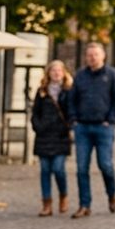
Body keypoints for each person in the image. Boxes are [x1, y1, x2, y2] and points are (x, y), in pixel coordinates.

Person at [69, 41, 115, 218]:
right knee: (81, 168)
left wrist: (111, 119)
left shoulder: (113, 75)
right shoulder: (80, 76)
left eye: (95, 54)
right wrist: (74, 120)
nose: (92, 58)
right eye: (89, 55)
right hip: (82, 128)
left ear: (103, 56)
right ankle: (84, 205)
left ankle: (111, 195)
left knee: (105, 165)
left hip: (103, 128)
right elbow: (72, 99)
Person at [31, 59, 73, 217]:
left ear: (63, 73)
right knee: (45, 170)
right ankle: (46, 204)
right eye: (53, 70)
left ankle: (63, 195)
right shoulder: (42, 91)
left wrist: (68, 127)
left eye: (59, 71)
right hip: (43, 136)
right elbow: (35, 113)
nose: (56, 73)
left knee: (58, 169)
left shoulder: (68, 91)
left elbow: (72, 112)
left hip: (60, 136)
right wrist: (38, 126)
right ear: (48, 73)